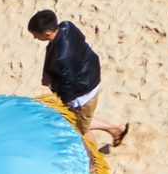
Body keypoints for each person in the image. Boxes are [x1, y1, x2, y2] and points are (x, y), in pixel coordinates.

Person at [29, 9, 127, 149]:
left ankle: (93, 161)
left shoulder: (63, 58)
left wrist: (50, 83)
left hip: (83, 94)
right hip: (90, 75)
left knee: (81, 131)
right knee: (79, 119)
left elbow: (69, 87)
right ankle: (115, 130)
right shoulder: (67, 26)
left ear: (47, 34)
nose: (34, 38)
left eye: (35, 35)